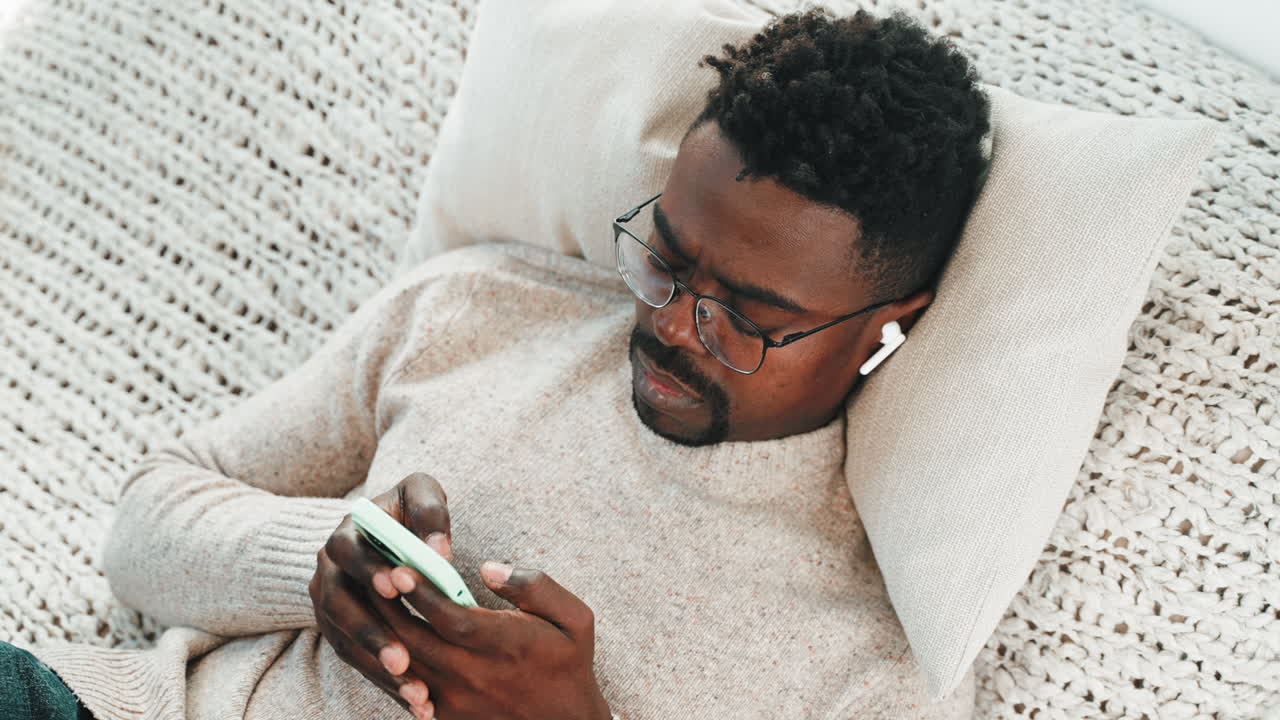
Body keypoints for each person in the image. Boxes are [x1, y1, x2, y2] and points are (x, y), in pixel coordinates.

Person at [3, 7, 990, 719]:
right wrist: (315, 558)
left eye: (750, 317)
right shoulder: (479, 309)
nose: (679, 327)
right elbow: (145, 522)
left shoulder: (877, 661)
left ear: (884, 325)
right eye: (669, 259)